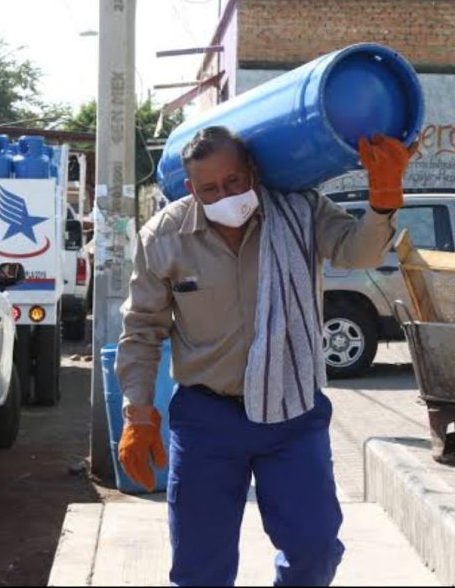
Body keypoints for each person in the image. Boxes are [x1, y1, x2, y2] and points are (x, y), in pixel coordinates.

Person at [115, 126, 417, 587]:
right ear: (191, 189)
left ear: (252, 172)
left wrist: (384, 198)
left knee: (315, 550)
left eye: (234, 181)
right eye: (210, 189)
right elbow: (141, 329)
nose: (225, 195)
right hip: (207, 420)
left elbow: (359, 252)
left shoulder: (300, 212)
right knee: (199, 569)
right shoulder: (165, 237)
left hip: (291, 410)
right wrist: (138, 413)